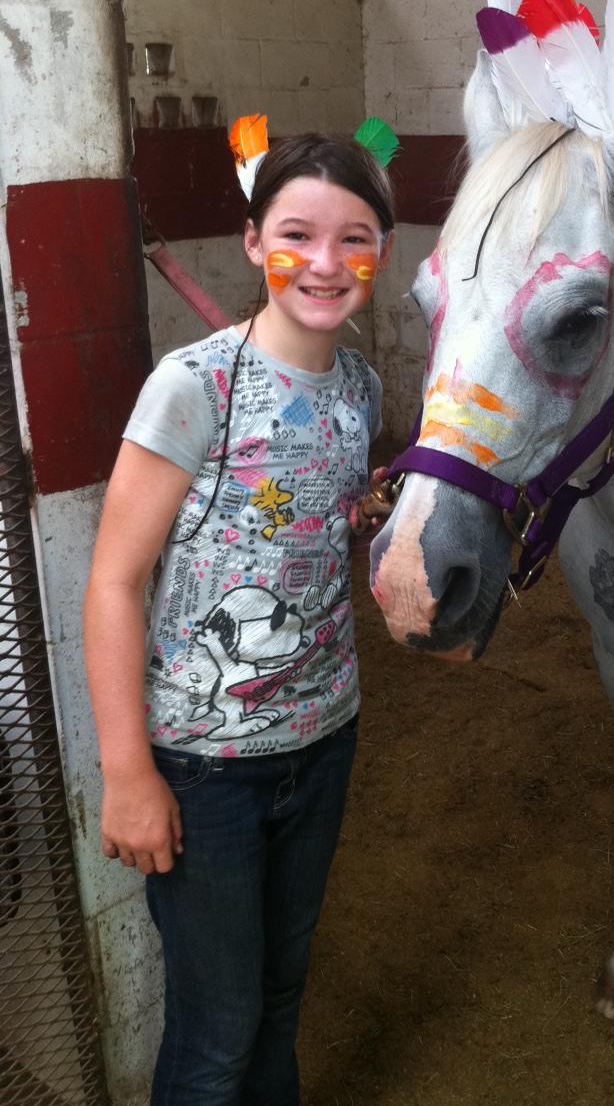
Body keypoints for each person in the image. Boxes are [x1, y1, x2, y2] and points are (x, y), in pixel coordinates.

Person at [83, 123, 395, 1105]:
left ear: (379, 255)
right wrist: (129, 772)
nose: (327, 261)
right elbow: (112, 584)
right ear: (256, 242)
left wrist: (359, 513)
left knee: (277, 996)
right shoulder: (194, 386)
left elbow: (304, 530)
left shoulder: (359, 387)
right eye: (299, 233)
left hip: (322, 736)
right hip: (205, 767)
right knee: (216, 1032)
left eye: (356, 238)